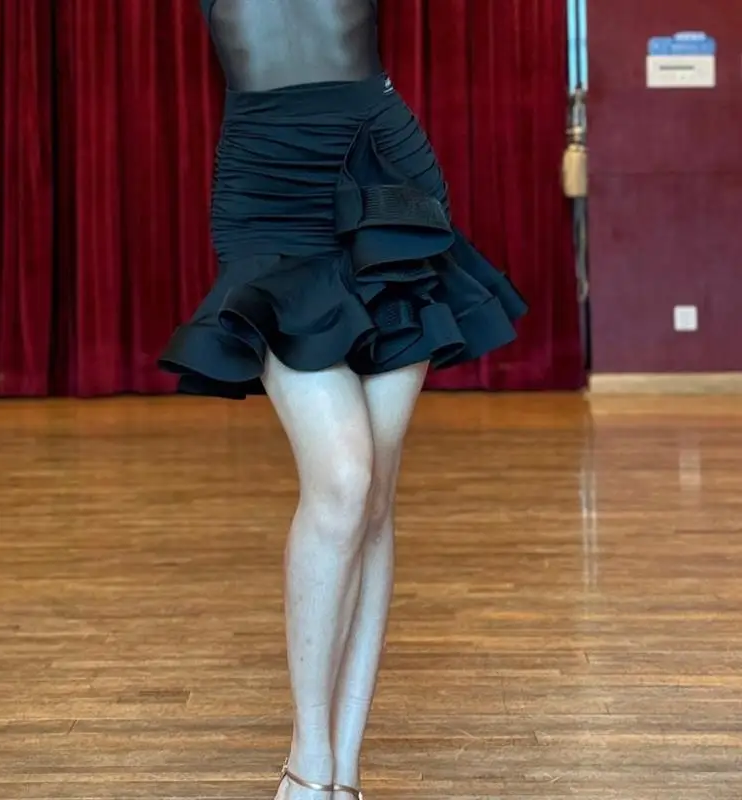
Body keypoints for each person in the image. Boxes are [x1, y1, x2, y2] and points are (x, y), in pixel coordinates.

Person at [159, 2, 527, 798]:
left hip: (381, 172)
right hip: (267, 191)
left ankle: (344, 769)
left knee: (375, 496)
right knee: (344, 480)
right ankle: (306, 759)